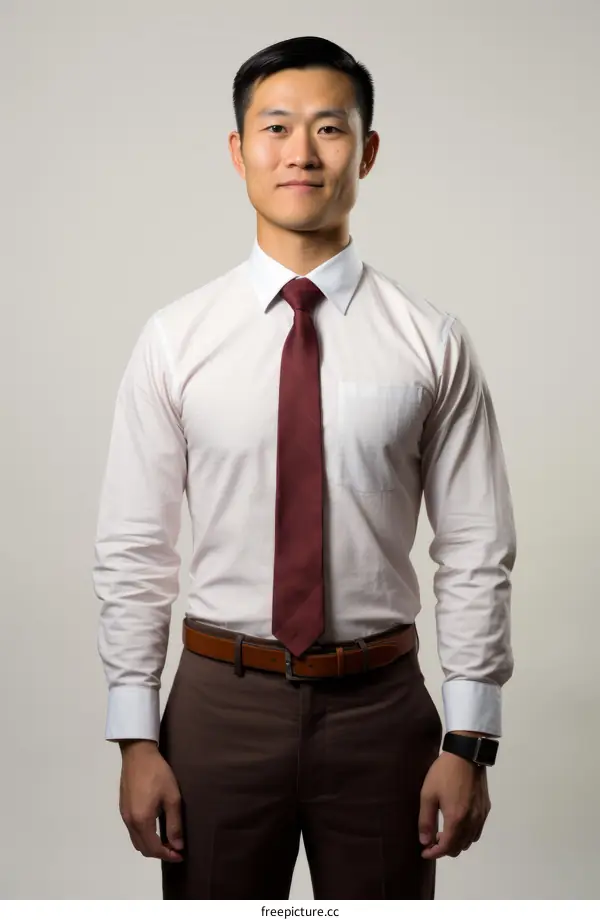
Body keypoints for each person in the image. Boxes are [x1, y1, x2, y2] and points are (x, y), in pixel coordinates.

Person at [92, 35, 517, 900]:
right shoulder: (177, 339)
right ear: (238, 150)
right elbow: (135, 548)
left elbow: (476, 547)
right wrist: (136, 739)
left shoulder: (429, 341)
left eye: (329, 129)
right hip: (218, 706)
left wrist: (468, 742)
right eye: (276, 126)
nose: (300, 152)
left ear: (365, 151)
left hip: (382, 711)